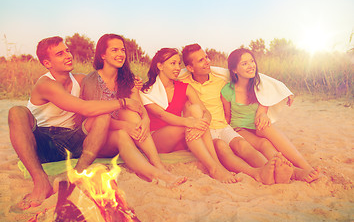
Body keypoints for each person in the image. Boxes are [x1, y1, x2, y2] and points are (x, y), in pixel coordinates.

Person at [7, 36, 144, 210]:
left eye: (67, 51)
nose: (67, 55)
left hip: (73, 141)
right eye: (59, 54)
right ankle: (41, 183)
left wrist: (133, 85)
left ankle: (78, 175)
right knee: (16, 112)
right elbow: (85, 108)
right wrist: (123, 102)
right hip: (43, 142)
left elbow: (106, 82)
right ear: (47, 63)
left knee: (102, 116)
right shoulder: (46, 84)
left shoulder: (81, 80)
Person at [80, 34, 187, 187]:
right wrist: (126, 126)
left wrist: (145, 120)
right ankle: (156, 173)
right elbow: (95, 119)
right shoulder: (91, 80)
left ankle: (157, 165)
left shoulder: (127, 79)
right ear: (102, 54)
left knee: (131, 114)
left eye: (122, 50)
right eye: (114, 50)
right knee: (121, 131)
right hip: (97, 137)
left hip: (128, 133)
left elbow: (138, 107)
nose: (120, 54)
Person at [180, 43, 295, 185]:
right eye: (201, 60)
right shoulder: (183, 82)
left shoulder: (220, 80)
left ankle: (271, 169)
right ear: (190, 68)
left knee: (242, 145)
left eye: (206, 57)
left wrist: (283, 91)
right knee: (222, 147)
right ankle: (256, 173)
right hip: (206, 131)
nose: (207, 61)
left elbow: (257, 78)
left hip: (223, 126)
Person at [221, 48, 320, 182]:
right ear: (234, 70)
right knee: (264, 144)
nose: (251, 66)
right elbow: (227, 116)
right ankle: (294, 172)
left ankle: (305, 166)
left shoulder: (260, 84)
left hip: (257, 125)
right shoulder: (227, 90)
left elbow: (268, 96)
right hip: (240, 129)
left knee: (266, 128)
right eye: (244, 63)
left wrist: (263, 113)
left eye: (251, 61)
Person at [140, 48, 238, 183]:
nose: (177, 68)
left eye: (178, 64)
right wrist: (190, 123)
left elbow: (205, 111)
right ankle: (214, 168)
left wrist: (204, 121)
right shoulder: (147, 90)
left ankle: (216, 165)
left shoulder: (184, 87)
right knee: (192, 120)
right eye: (172, 63)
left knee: (196, 111)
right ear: (160, 66)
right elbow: (162, 115)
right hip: (158, 140)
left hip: (181, 139)